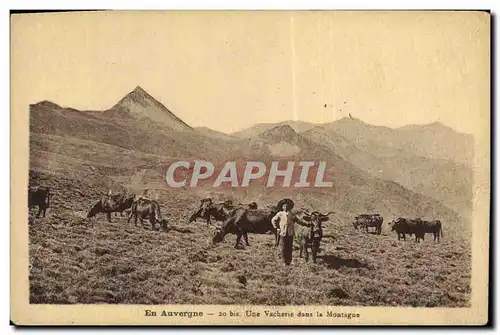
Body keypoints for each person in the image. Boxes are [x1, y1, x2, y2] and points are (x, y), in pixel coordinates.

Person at [271, 199, 295, 266]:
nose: (285, 207)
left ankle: (289, 261)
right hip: (282, 233)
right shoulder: (280, 213)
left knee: (289, 248)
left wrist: (305, 224)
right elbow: (273, 220)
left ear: (289, 207)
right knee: (283, 248)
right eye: (284, 206)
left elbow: (297, 220)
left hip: (290, 233)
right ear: (282, 207)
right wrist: (277, 227)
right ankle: (284, 261)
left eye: (287, 206)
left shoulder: (292, 214)